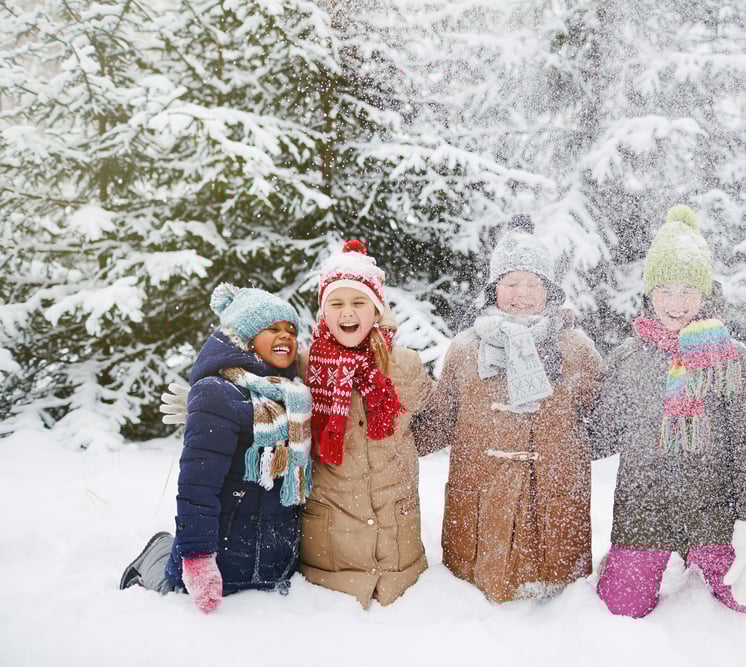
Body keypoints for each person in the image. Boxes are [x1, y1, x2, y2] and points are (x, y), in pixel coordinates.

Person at [589, 204, 746, 617]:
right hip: (644, 511)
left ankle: (701, 556)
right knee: (622, 609)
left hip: (715, 514)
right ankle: (622, 563)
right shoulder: (629, 357)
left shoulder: (731, 359)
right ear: (650, 294)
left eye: (688, 291)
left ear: (705, 293)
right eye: (665, 291)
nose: (676, 304)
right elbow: (600, 433)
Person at [412, 215, 602, 602]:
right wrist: (387, 438)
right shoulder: (465, 349)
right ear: (493, 290)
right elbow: (439, 421)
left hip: (553, 514)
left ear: (549, 290)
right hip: (483, 519)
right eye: (511, 283)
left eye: (534, 283)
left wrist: (564, 456)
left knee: (561, 608)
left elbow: (605, 418)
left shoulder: (575, 348)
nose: (523, 294)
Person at [120, 284, 312, 615]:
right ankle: (154, 554)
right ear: (245, 337)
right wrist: (198, 561)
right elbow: (197, 488)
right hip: (220, 556)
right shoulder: (216, 393)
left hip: (270, 563)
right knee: (169, 589)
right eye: (272, 329)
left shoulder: (294, 397)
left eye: (291, 330)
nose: (286, 337)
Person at [297, 240, 433, 609]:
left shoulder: (404, 365)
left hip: (402, 569)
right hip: (327, 572)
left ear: (377, 308)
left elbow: (434, 424)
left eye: (358, 302)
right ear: (323, 312)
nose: (347, 313)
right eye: (336, 304)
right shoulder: (304, 366)